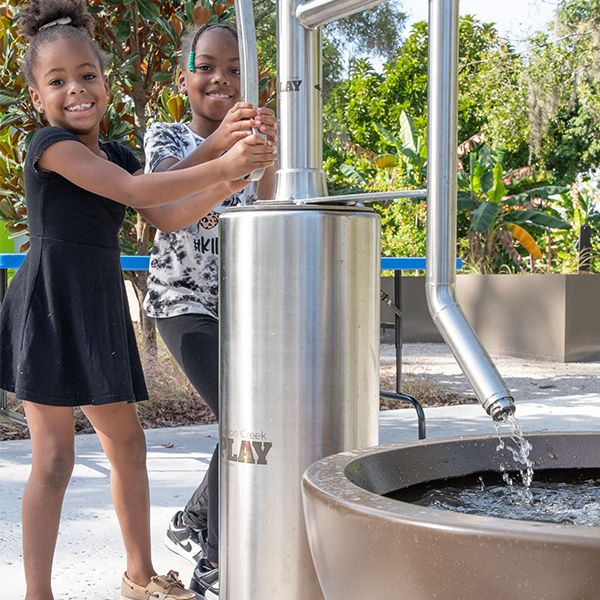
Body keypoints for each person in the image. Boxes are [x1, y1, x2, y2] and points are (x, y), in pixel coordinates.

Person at [0, 1, 276, 599]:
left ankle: (139, 576)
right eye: (57, 81)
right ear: (37, 99)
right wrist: (224, 159)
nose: (76, 90)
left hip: (97, 310)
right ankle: (37, 593)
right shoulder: (52, 148)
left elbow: (165, 210)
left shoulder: (117, 151)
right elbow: (135, 190)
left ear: (105, 81)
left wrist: (233, 174)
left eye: (87, 75)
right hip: (50, 307)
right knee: (53, 460)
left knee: (128, 444)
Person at [142, 22, 277, 597]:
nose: (220, 77)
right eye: (206, 66)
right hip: (182, 303)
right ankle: (214, 561)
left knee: (258, 419)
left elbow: (269, 212)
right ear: (183, 79)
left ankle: (193, 519)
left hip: (240, 308)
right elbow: (164, 201)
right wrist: (223, 150)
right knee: (240, 415)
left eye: (235, 68)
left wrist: (270, 157)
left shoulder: (251, 147)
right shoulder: (167, 138)